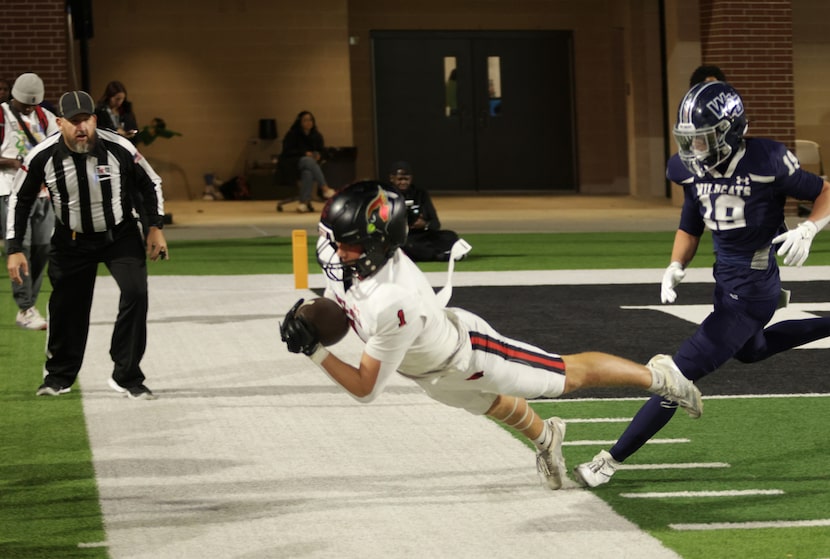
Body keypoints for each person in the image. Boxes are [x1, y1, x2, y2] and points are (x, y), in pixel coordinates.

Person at [279, 181, 703, 490]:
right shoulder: (342, 255)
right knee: (493, 405)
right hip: (427, 373)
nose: (336, 252)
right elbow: (340, 301)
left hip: (469, 355)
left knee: (563, 376)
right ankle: (548, 437)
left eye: (348, 244)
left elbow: (365, 388)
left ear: (378, 244)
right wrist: (308, 315)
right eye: (334, 241)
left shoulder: (393, 299)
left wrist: (314, 350)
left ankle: (659, 376)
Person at [573, 80, 830, 488]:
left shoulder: (768, 160)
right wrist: (676, 263)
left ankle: (609, 461)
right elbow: (691, 221)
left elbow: (825, 191)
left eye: (704, 139)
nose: (694, 149)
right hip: (725, 278)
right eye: (688, 140)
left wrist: (811, 227)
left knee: (674, 377)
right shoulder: (685, 168)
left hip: (752, 288)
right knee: (752, 350)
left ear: (731, 130)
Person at [6, 90, 169, 399]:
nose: (81, 128)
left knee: (136, 293)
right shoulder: (42, 155)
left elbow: (151, 182)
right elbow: (20, 199)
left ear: (95, 120)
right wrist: (14, 248)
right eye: (73, 121)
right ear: (60, 123)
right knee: (68, 307)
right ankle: (59, 376)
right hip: (71, 241)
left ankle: (127, 375)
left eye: (87, 120)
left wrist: (155, 228)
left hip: (119, 236)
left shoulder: (119, 147)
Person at [0, 72, 59, 330]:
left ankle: (29, 305)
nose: (28, 109)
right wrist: (14, 162)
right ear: (13, 96)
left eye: (33, 105)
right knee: (20, 249)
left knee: (42, 248)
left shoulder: (45, 117)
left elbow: (59, 146)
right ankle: (25, 307)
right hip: (9, 190)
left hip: (42, 192)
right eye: (25, 105)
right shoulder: (1, 116)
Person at [388, 161, 463, 261]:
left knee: (450, 236)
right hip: (402, 238)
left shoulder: (421, 194)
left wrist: (425, 224)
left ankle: (429, 252)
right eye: (400, 179)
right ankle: (439, 256)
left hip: (421, 235)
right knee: (402, 246)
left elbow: (436, 224)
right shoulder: (387, 196)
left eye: (407, 179)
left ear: (411, 178)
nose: (403, 182)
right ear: (392, 178)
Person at [277, 110, 335, 213]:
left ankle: (303, 203)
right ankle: (325, 188)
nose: (308, 122)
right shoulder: (292, 135)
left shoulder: (316, 136)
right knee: (307, 160)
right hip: (292, 164)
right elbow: (288, 151)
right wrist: (304, 153)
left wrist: (318, 155)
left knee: (307, 172)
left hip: (309, 167)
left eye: (310, 120)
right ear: (300, 122)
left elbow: (322, 151)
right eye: (305, 120)